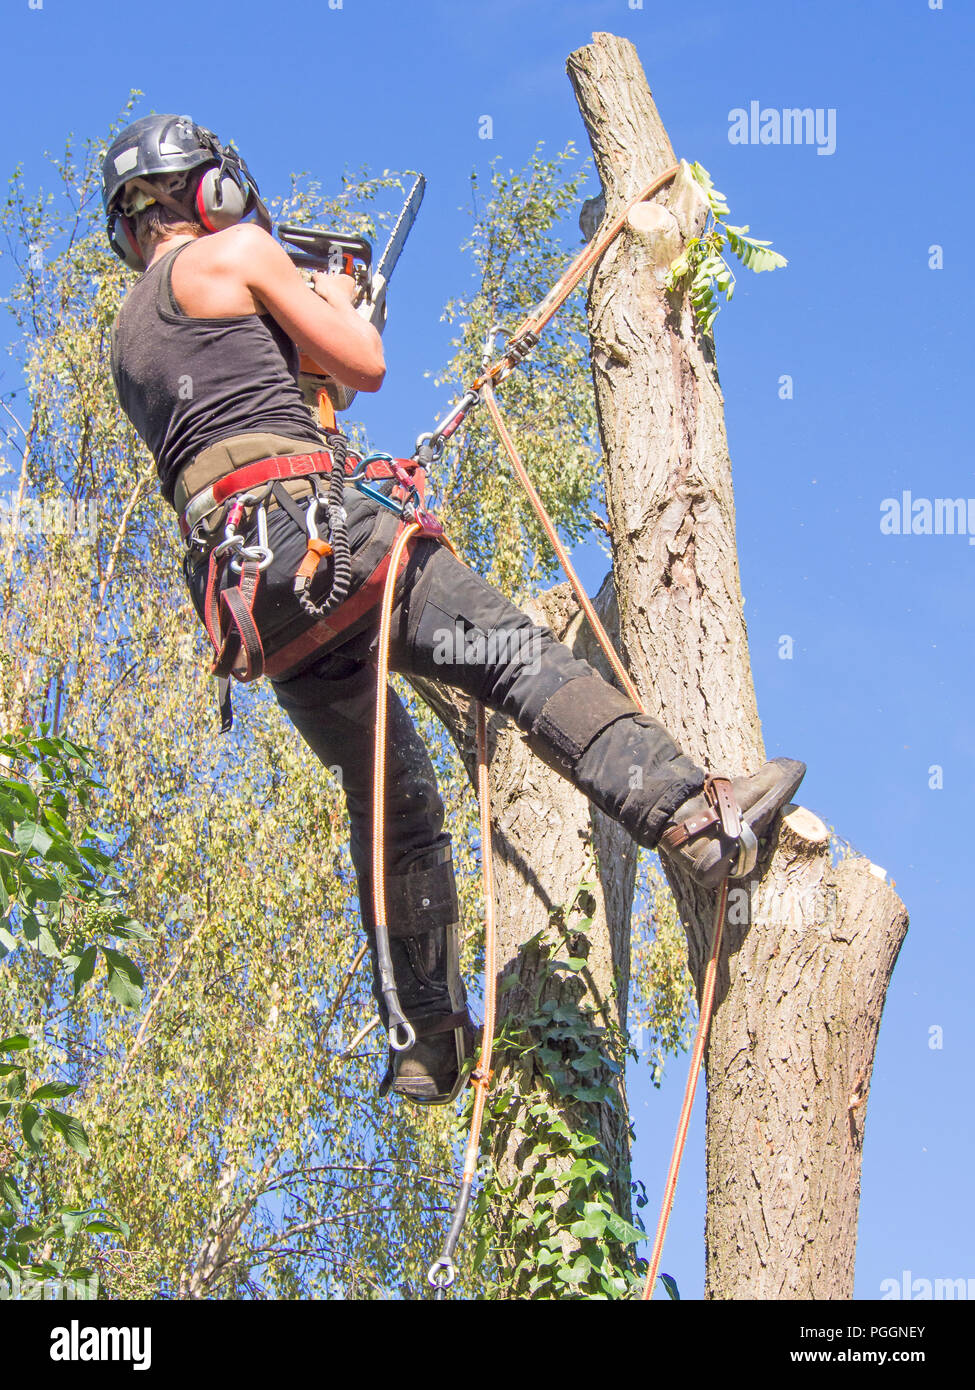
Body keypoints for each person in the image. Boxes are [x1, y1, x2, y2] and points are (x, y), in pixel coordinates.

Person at [104, 114, 805, 1107]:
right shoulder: (238, 252)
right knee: (517, 660)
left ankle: (426, 1040)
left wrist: (301, 362)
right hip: (334, 541)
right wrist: (331, 301)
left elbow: (245, 416)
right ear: (207, 193)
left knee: (389, 800)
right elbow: (361, 363)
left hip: (261, 608)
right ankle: (694, 813)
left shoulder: (129, 340)